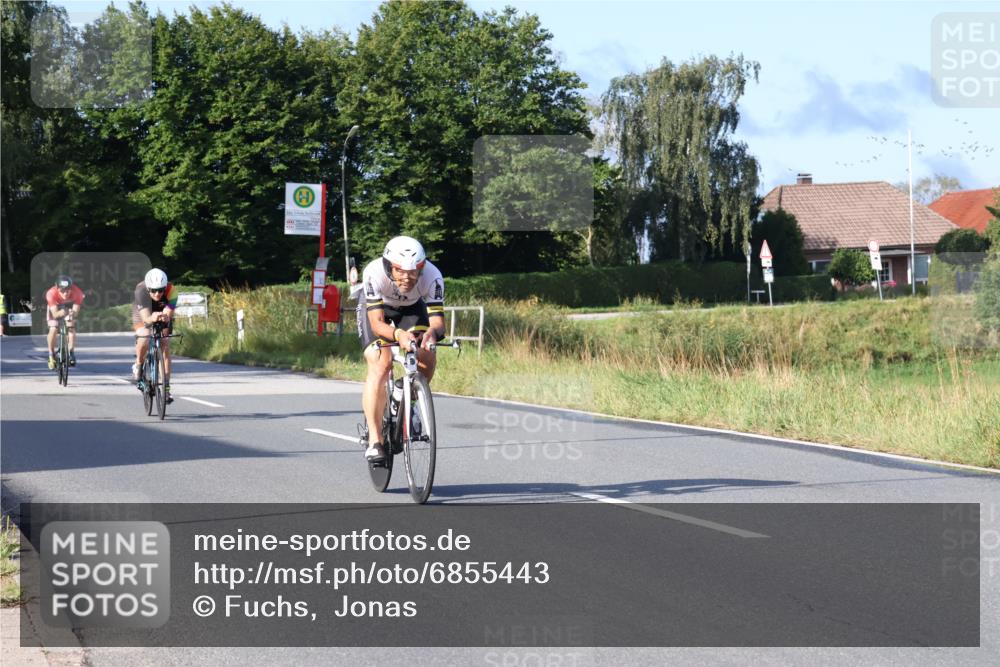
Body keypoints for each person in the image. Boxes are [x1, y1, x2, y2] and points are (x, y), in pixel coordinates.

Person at [357, 236, 445, 462]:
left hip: (412, 308)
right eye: (400, 271)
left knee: (427, 354)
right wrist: (398, 335)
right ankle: (375, 441)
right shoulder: (373, 273)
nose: (407, 277)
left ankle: (406, 398)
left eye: (414, 271)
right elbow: (377, 324)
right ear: (388, 266)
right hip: (379, 311)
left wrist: (431, 334)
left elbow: (438, 321)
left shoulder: (433, 276)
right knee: (380, 363)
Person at [133, 268, 177, 402]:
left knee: (164, 343)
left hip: (161, 310)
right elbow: (146, 319)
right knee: (145, 335)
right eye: (153, 290)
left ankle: (166, 388)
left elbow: (168, 313)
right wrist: (152, 318)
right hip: (143, 312)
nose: (157, 293)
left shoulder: (172, 291)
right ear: (148, 288)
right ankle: (139, 365)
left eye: (161, 290)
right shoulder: (140, 291)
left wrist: (164, 317)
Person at [44, 276, 85, 368]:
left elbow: (75, 312)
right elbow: (54, 314)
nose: (65, 293)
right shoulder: (51, 293)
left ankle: (71, 353)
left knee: (71, 326)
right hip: (55, 306)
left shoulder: (77, 293)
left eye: (68, 290)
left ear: (72, 288)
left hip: (69, 305)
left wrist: (71, 314)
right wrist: (61, 312)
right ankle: (51, 354)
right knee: (53, 328)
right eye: (62, 291)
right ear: (57, 289)